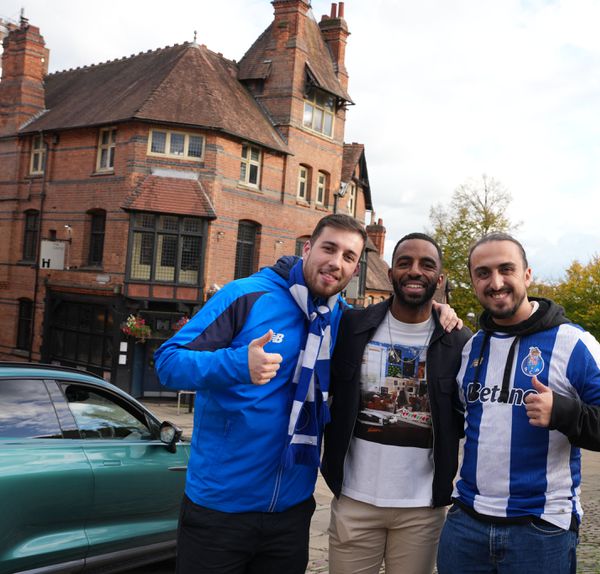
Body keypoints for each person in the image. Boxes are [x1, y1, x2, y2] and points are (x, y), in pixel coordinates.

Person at [154, 214, 367, 574]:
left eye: (349, 256)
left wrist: (439, 311)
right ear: (307, 248)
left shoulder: (341, 317)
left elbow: (398, 324)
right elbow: (168, 362)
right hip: (219, 512)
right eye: (329, 248)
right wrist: (237, 365)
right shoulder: (246, 294)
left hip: (291, 512)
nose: (336, 262)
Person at [436, 232, 600, 574]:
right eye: (483, 273)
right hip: (465, 524)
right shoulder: (472, 347)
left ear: (527, 275)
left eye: (506, 269)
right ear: (473, 282)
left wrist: (563, 412)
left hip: (540, 529)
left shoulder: (572, 342)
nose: (496, 282)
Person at [322, 233, 472, 574]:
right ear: (390, 273)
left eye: (426, 264)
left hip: (421, 508)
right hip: (354, 500)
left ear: (440, 278)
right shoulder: (351, 325)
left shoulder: (459, 341)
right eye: (405, 263)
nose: (415, 271)